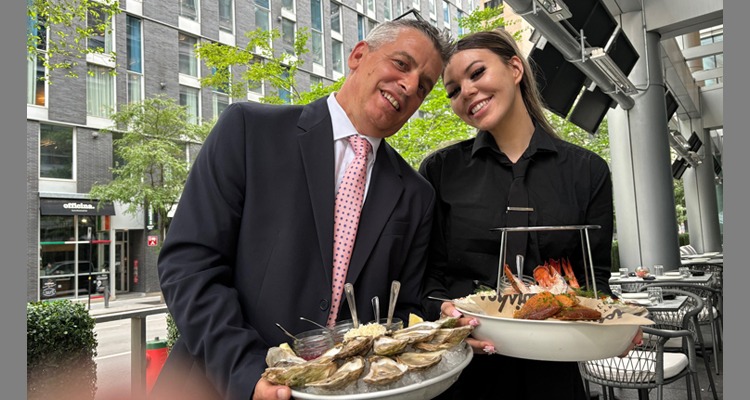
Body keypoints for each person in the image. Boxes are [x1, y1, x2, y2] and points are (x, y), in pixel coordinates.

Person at [152, 18, 452, 400]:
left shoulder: (416, 194)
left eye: (424, 87)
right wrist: (246, 372)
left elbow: (405, 308)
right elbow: (189, 265)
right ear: (359, 55)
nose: (410, 86)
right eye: (402, 64)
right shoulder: (248, 131)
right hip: (218, 386)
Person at [418, 29, 640, 399]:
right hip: (462, 370)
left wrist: (617, 320)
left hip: (554, 370)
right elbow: (429, 277)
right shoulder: (440, 170)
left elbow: (594, 278)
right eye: (453, 90)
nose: (466, 92)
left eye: (476, 73)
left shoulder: (587, 171)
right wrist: (444, 314)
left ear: (515, 68)